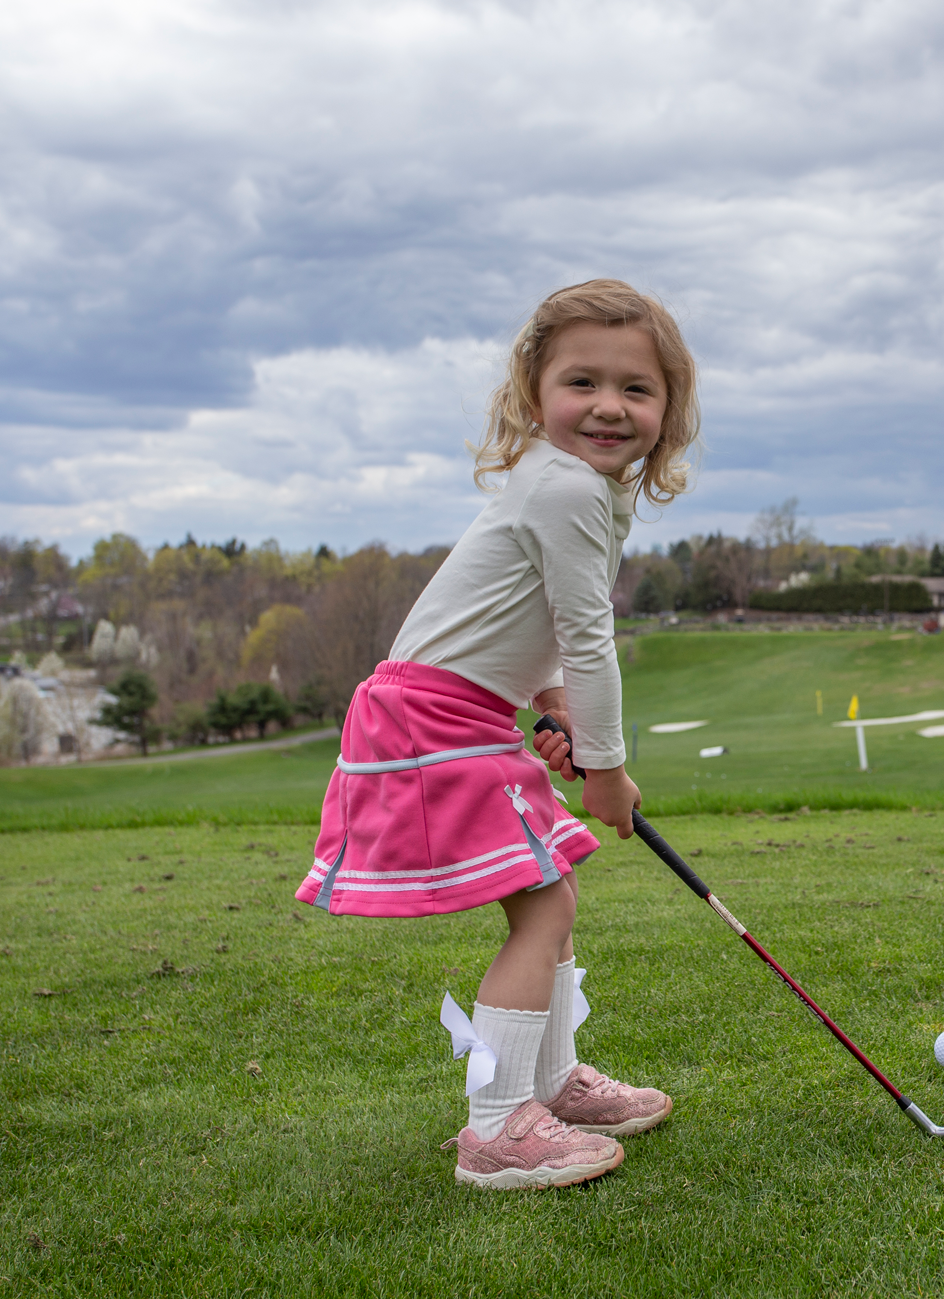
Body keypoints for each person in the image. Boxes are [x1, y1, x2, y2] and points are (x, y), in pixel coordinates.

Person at [295, 279, 699, 1189]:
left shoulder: (581, 490)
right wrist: (604, 767)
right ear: (534, 397)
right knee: (545, 903)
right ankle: (496, 1128)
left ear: (668, 410)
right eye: (581, 382)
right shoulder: (564, 488)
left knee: (552, 893)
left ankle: (547, 1083)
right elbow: (590, 636)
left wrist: (549, 707)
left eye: (635, 389)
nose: (608, 405)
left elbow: (542, 629)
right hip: (430, 718)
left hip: (455, 710)